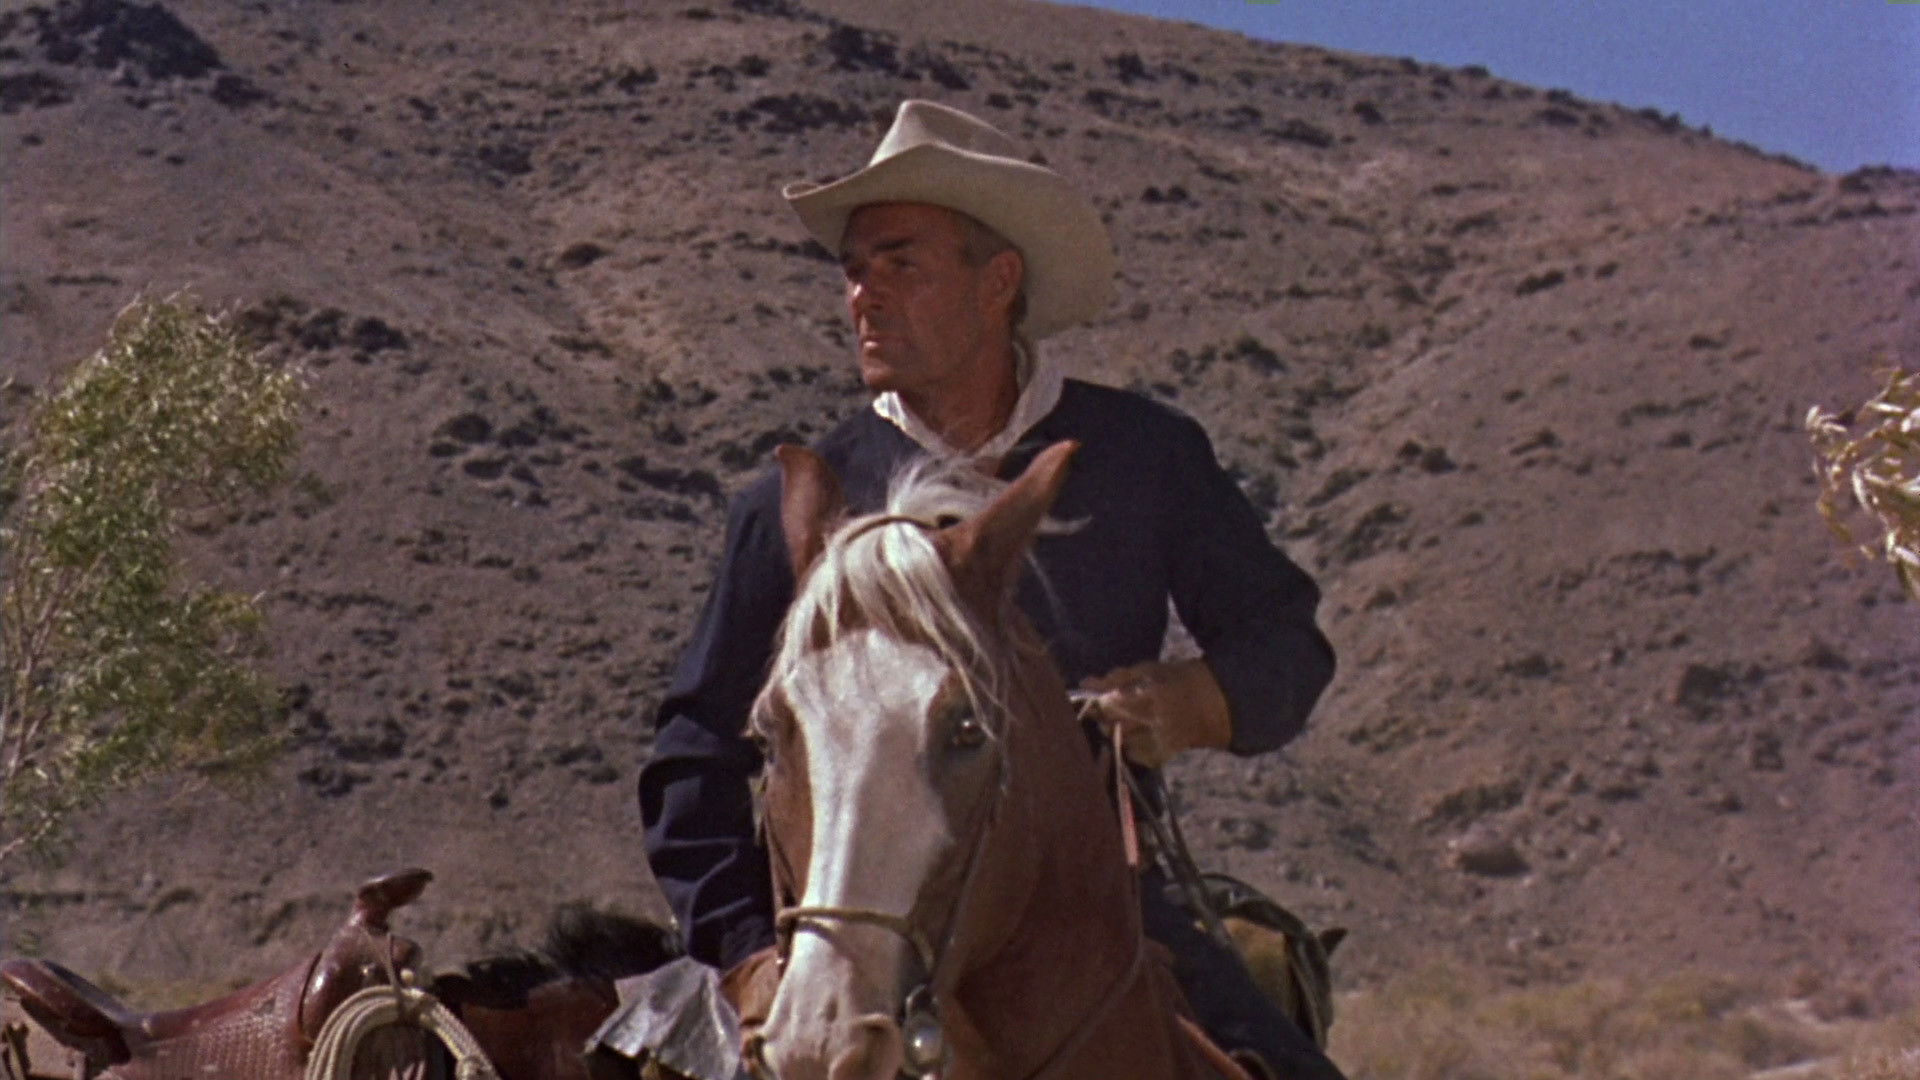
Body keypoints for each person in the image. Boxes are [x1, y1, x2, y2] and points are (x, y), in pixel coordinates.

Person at [637, 99, 1343, 1080]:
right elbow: (694, 759)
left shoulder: (1146, 458)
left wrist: (1192, 703)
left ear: (998, 281)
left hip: (1098, 921)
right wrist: (751, 955)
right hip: (847, 955)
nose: (864, 297)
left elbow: (1287, 646)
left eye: (901, 265)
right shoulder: (796, 508)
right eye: (854, 270)